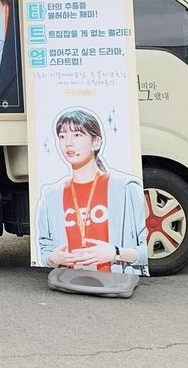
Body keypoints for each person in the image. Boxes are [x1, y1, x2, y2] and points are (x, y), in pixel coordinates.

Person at [35, 108, 148, 275]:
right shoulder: (51, 195)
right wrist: (53, 258)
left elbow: (147, 251)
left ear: (96, 142)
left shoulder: (126, 188)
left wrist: (116, 253)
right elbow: (45, 251)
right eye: (62, 136)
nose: (68, 143)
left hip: (116, 281)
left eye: (77, 135)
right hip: (69, 282)